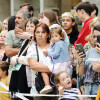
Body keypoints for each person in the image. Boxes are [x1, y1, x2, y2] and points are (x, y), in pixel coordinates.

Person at [40, 27, 71, 94]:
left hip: (60, 64)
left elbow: (56, 54)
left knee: (43, 70)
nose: (54, 38)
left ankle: (47, 85)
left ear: (61, 36)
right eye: (52, 36)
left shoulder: (58, 43)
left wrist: (47, 53)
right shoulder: (63, 43)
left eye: (56, 36)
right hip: (65, 64)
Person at [76, 25, 100, 100]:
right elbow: (81, 74)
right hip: (88, 91)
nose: (96, 39)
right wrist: (80, 61)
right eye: (94, 36)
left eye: (98, 37)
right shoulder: (89, 52)